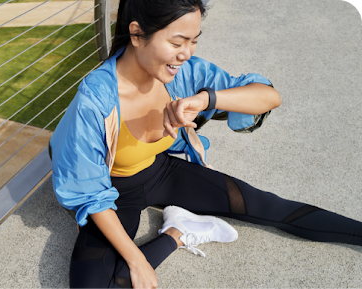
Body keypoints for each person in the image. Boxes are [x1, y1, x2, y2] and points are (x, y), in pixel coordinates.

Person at [49, 0, 362, 288]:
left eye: (193, 41)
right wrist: (137, 259)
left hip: (162, 173)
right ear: (136, 33)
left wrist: (206, 98)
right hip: (113, 194)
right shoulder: (96, 99)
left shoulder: (185, 73)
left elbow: (268, 96)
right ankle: (178, 233)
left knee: (268, 207)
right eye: (176, 42)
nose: (185, 53)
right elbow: (89, 192)